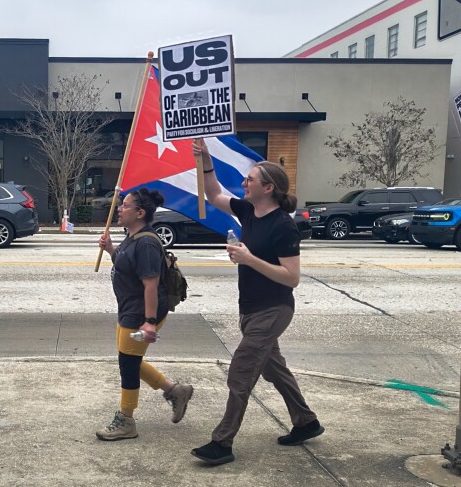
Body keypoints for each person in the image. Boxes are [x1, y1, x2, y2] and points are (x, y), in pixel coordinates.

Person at [190, 139, 322, 465]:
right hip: (250, 307)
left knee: (241, 371)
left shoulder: (284, 226)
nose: (244, 183)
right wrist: (206, 159)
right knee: (274, 369)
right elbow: (213, 195)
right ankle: (306, 422)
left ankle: (222, 443)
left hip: (274, 308)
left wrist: (249, 259)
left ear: (268, 187)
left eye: (250, 179)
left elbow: (291, 277)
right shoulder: (248, 210)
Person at [96, 187, 193, 441]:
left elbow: (151, 284)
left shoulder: (147, 242)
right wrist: (111, 250)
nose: (119, 209)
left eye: (125, 205)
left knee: (128, 365)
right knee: (130, 361)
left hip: (142, 313)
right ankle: (175, 391)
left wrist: (149, 322)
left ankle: (126, 420)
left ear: (140, 213)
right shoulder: (133, 236)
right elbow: (126, 264)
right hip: (129, 308)